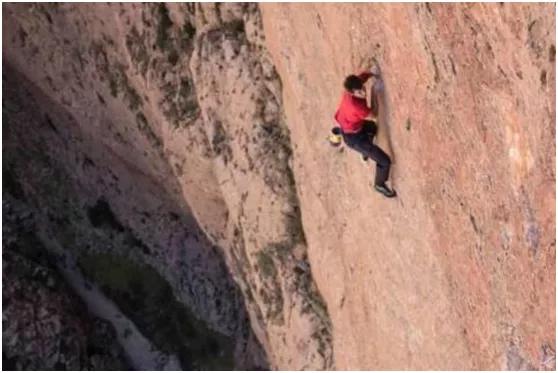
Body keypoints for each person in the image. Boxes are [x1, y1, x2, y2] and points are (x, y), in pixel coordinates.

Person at [333, 65, 396, 198]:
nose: (362, 93)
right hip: (354, 139)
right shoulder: (357, 106)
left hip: (353, 128)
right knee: (385, 161)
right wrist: (374, 91)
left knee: (372, 128)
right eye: (359, 92)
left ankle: (365, 151)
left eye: (362, 88)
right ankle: (379, 184)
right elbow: (374, 113)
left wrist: (371, 73)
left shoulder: (352, 87)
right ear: (351, 93)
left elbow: (363, 76)